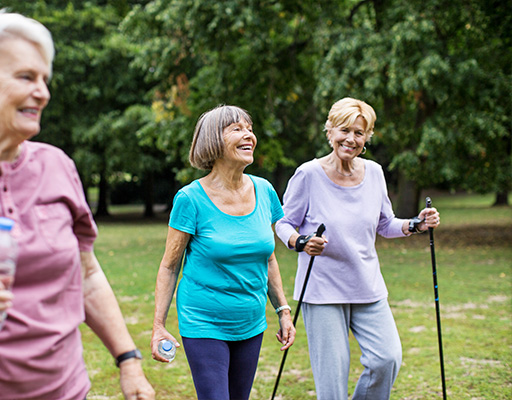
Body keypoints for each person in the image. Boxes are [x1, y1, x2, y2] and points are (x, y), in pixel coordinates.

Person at [0, 10, 154, 400]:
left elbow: (87, 275)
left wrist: (128, 359)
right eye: (26, 77)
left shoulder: (56, 166)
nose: (43, 92)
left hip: (62, 390)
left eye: (44, 79)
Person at [275, 97, 441, 400]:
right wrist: (300, 242)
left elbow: (385, 224)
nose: (351, 139)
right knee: (333, 384)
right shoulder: (309, 174)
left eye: (359, 133)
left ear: (367, 138)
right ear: (330, 131)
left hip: (367, 286)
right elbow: (283, 223)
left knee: (387, 359)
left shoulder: (375, 173)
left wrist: (416, 224)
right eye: (344, 130)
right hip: (322, 291)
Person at [150, 105, 296, 400]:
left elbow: (267, 257)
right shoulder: (190, 199)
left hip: (251, 320)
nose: (249, 136)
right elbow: (169, 266)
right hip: (204, 319)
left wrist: (282, 310)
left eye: (250, 129)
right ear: (213, 141)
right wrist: (158, 326)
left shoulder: (264, 190)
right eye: (237, 129)